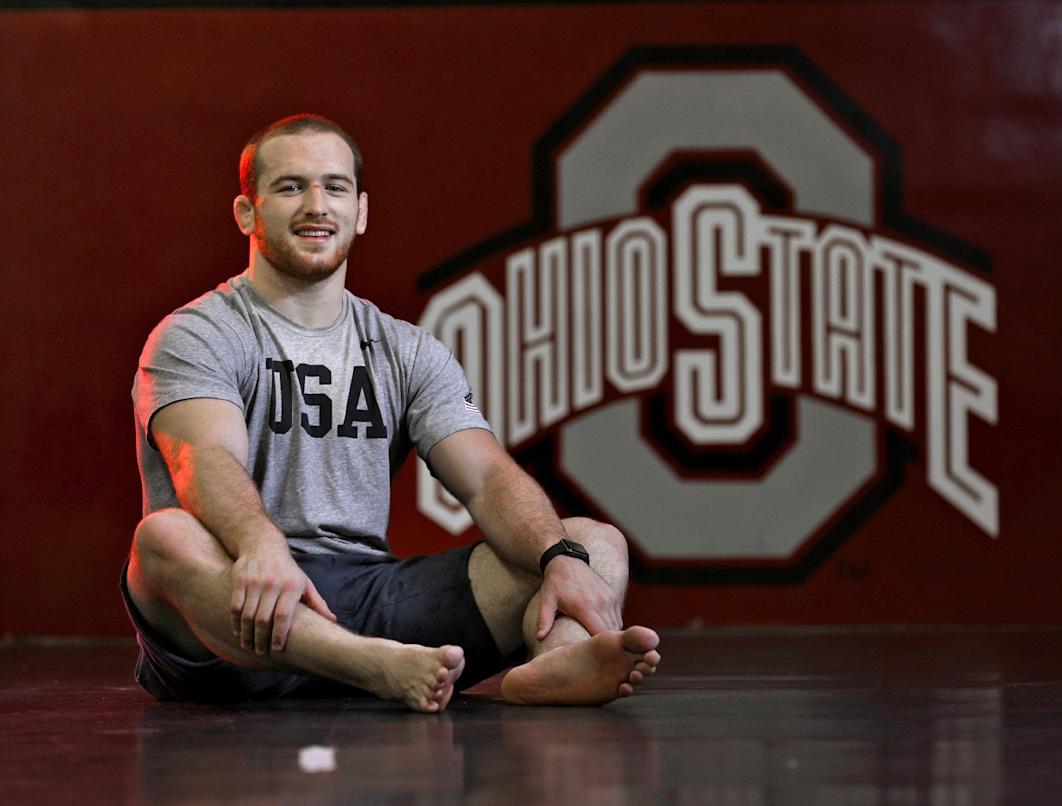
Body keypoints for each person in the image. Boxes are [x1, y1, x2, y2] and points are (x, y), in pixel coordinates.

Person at [122, 113, 660, 712]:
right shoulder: (200, 332)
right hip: (239, 613)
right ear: (248, 213)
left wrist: (558, 558)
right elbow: (204, 458)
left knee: (591, 544)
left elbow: (486, 479)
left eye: (335, 187)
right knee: (163, 537)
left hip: (370, 596)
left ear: (360, 211)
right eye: (291, 186)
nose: (316, 205)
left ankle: (555, 664)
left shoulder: (406, 350)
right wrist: (259, 545)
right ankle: (371, 667)